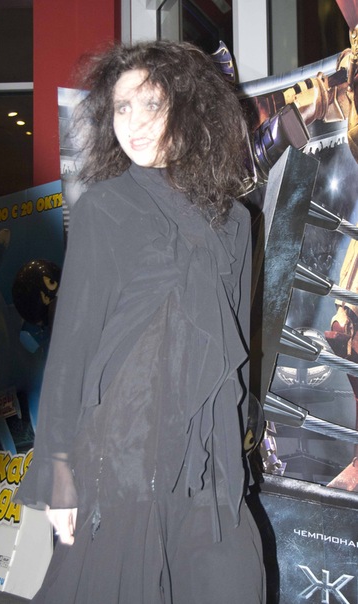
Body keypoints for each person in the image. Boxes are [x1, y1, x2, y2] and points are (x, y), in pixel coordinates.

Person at [17, 40, 266, 603]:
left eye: (150, 103)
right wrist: (58, 466)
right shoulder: (103, 210)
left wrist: (237, 446)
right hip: (122, 458)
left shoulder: (234, 222)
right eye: (121, 107)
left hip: (206, 455)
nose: (132, 122)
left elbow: (238, 350)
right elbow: (72, 350)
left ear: (189, 108)